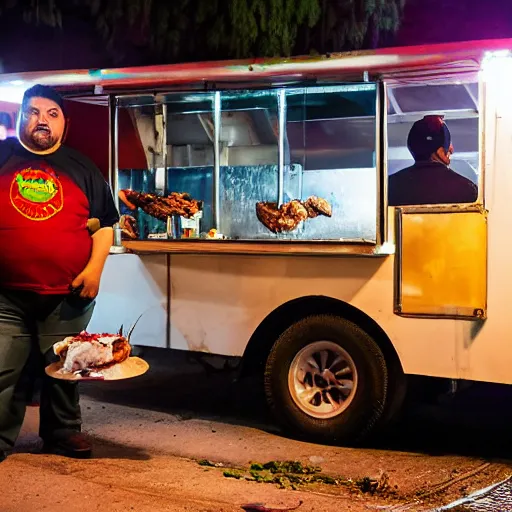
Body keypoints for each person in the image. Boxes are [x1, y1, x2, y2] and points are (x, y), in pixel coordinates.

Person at [0, 84, 119, 462]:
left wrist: (95, 270)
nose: (42, 121)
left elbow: (104, 226)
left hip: (68, 294)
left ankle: (63, 433)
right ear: (20, 117)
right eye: (33, 112)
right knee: (2, 369)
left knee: (66, 368)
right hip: (5, 294)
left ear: (64, 124)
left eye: (52, 114)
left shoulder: (82, 167)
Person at [388, 115, 478, 206]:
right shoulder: (467, 189)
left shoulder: (389, 186)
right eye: (448, 143)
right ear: (440, 152)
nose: (451, 150)